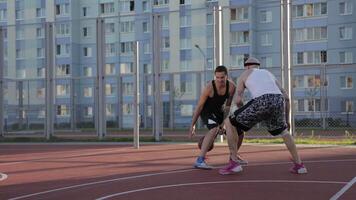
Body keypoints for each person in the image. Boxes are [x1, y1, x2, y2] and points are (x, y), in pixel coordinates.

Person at [219, 57, 307, 175]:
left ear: (247, 66)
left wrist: (243, 113)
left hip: (261, 101)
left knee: (229, 122)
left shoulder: (245, 74)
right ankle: (299, 165)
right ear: (258, 66)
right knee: (284, 132)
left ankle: (234, 162)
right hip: (278, 100)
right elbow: (286, 97)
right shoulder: (268, 74)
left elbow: (238, 99)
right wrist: (286, 120)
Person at [189, 65, 247, 170]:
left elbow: (228, 106)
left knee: (240, 131)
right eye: (217, 77)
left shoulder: (232, 87)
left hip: (220, 113)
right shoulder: (209, 88)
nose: (220, 80)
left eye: (222, 77)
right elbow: (199, 106)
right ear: (215, 77)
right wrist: (193, 124)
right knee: (214, 129)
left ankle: (233, 156)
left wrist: (224, 123)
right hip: (207, 112)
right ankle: (200, 160)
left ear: (227, 77)